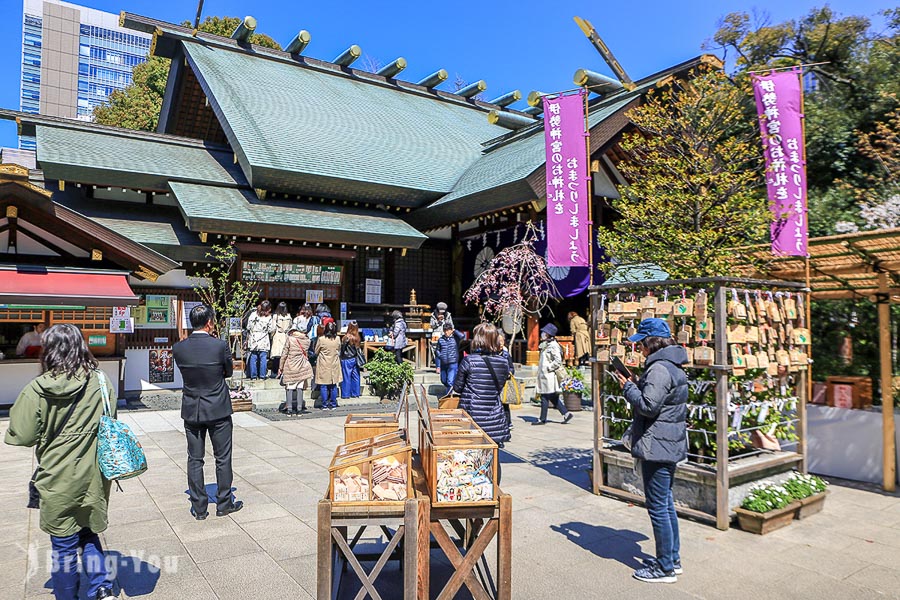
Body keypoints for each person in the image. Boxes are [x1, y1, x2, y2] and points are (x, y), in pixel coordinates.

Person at [5, 324, 118, 600]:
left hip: (57, 478)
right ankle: (101, 588)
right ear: (82, 346)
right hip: (94, 476)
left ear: (49, 350)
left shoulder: (37, 389)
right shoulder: (101, 381)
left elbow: (21, 435)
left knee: (64, 546)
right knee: (88, 533)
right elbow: (111, 420)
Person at [612, 318, 687, 584]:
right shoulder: (671, 366)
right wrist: (637, 382)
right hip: (669, 442)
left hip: (657, 445)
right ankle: (672, 560)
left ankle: (664, 567)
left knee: (658, 507)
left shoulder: (658, 369)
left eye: (641, 343)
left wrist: (628, 387)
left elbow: (648, 406)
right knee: (666, 504)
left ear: (651, 342)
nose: (639, 349)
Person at [172, 304, 243, 520]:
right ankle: (223, 503)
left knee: (195, 458)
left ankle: (199, 507)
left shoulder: (179, 348)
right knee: (222, 457)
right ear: (210, 322)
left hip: (192, 407)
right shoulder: (219, 346)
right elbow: (228, 372)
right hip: (218, 407)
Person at [452, 323, 511, 456]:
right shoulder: (503, 362)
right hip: (494, 416)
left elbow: (458, 388)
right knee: (493, 458)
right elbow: (500, 385)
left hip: (472, 415)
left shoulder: (469, 361)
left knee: (471, 457)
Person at [533, 323, 573, 425]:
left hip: (548, 375)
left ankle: (542, 419)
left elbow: (558, 361)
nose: (542, 334)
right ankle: (566, 414)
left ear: (548, 334)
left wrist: (548, 367)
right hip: (545, 375)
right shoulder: (546, 344)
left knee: (544, 397)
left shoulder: (553, 345)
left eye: (544, 333)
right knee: (553, 397)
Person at [278, 325, 314, 415]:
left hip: (291, 365)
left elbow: (284, 354)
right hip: (302, 365)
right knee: (300, 387)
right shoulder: (307, 340)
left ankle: (289, 409)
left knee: (290, 388)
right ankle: (299, 409)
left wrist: (280, 367)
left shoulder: (290, 339)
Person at [315, 321, 343, 410]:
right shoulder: (337, 339)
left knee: (323, 385)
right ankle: (333, 404)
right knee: (333, 384)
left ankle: (324, 405)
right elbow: (339, 348)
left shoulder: (321, 339)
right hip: (334, 363)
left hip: (324, 363)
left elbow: (316, 351)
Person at [246, 300, 275, 380]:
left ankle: (253, 376)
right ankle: (262, 376)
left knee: (253, 357)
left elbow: (248, 327)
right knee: (263, 358)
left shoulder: (253, 314)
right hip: (263, 338)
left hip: (254, 338)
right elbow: (271, 329)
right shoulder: (268, 317)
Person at [436, 322, 464, 395]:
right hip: (443, 363)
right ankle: (450, 388)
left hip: (453, 362)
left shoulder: (455, 338)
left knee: (450, 381)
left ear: (451, 330)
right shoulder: (440, 340)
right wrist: (438, 365)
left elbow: (462, 336)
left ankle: (448, 396)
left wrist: (455, 331)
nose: (446, 332)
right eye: (445, 330)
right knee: (443, 380)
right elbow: (437, 351)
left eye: (448, 330)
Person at [269, 302, 293, 378]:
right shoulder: (289, 316)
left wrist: (271, 336)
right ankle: (283, 372)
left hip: (278, 335)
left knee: (277, 356)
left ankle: (275, 372)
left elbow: (273, 328)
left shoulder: (276, 316)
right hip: (286, 335)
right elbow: (290, 326)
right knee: (285, 355)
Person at [498, 331, 516, 433]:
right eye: (498, 341)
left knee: (505, 404)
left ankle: (508, 423)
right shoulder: (493, 354)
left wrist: (509, 373)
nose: (500, 343)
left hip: (504, 383)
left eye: (502, 341)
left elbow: (511, 368)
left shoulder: (506, 354)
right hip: (495, 384)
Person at [340, 322, 363, 399]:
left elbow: (342, 349)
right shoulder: (358, 337)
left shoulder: (346, 337)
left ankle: (346, 394)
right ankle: (356, 393)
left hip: (346, 358)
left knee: (346, 377)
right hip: (355, 358)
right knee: (356, 376)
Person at [430, 302, 453, 373]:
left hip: (445, 334)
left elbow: (451, 325)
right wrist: (437, 321)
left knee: (446, 350)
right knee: (437, 351)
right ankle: (438, 366)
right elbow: (431, 325)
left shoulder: (448, 315)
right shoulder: (433, 315)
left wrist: (446, 322)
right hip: (436, 334)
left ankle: (445, 366)